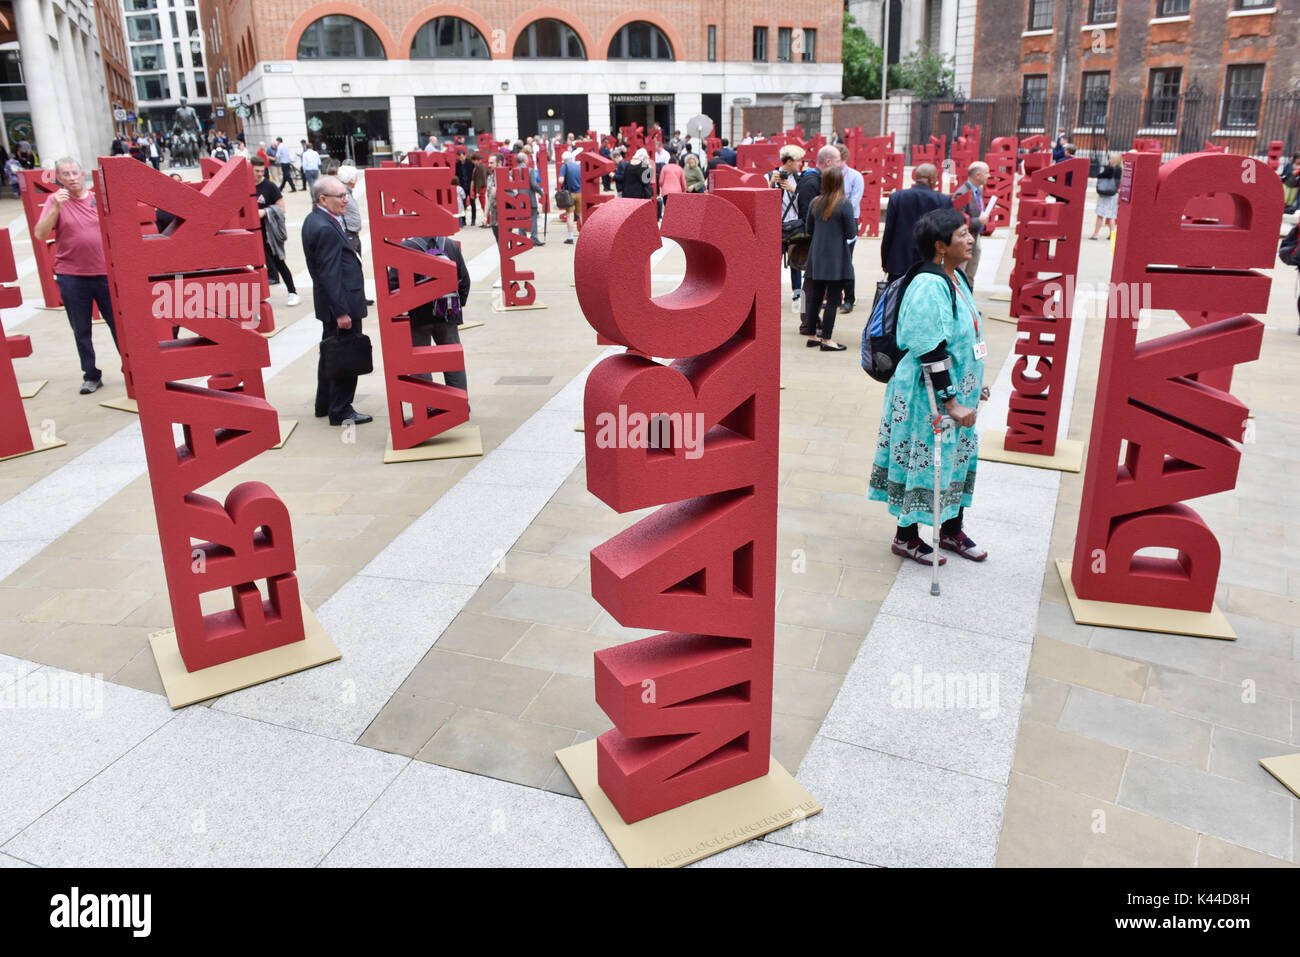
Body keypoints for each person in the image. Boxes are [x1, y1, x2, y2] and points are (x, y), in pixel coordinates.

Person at [868, 207, 991, 566]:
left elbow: (962, 338)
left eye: (969, 232)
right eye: (962, 235)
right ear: (940, 245)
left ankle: (951, 528)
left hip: (954, 393)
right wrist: (952, 401)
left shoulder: (955, 278)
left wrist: (973, 385)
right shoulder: (929, 283)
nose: (970, 240)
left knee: (955, 461)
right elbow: (930, 346)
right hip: (927, 397)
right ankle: (906, 537)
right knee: (923, 462)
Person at [33, 157, 120, 394]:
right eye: (66, 175)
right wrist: (56, 208)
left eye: (74, 173)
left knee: (118, 324)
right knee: (81, 328)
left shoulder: (97, 199)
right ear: (58, 179)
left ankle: (131, 369)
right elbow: (40, 234)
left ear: (82, 176)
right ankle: (91, 375)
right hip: (72, 276)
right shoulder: (54, 200)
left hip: (104, 273)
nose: (71, 178)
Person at [302, 175, 371, 426]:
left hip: (332, 304)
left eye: (346, 195)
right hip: (342, 306)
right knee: (345, 356)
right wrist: (342, 312)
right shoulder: (323, 227)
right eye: (341, 196)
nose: (346, 200)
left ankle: (325, 403)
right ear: (323, 199)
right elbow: (330, 273)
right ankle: (341, 409)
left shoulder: (317, 219)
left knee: (330, 353)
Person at [392, 234, 471, 393]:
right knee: (452, 360)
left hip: (418, 315)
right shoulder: (449, 244)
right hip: (448, 312)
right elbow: (464, 279)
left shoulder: (406, 247)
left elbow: (394, 283)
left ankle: (428, 405)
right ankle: (460, 402)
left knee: (421, 363)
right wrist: (457, 305)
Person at [800, 166, 855, 351]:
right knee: (832, 300)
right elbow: (850, 233)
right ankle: (827, 339)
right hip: (836, 257)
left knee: (815, 297)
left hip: (816, 256)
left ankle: (812, 335)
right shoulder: (844, 203)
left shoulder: (816, 202)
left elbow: (808, 230)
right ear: (840, 182)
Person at [881, 163, 952, 283]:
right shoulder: (943, 200)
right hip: (930, 261)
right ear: (932, 179)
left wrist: (885, 261)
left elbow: (889, 232)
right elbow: (947, 233)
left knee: (897, 299)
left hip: (899, 260)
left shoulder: (897, 197)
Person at [252, 157, 299, 306]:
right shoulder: (244, 187)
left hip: (268, 233)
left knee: (279, 262)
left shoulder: (270, 187)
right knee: (253, 268)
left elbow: (282, 208)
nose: (260, 174)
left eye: (262, 170)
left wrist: (265, 212)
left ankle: (292, 292)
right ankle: (257, 298)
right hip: (251, 234)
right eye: (256, 171)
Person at [770, 145, 805, 311]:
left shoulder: (801, 179)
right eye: (797, 161)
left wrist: (794, 190)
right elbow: (763, 201)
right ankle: (771, 295)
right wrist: (771, 183)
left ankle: (798, 297)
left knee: (796, 263)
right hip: (776, 226)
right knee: (772, 264)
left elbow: (805, 200)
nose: (800, 164)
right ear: (789, 161)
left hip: (795, 225)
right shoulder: (771, 175)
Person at [835, 144, 864, 313]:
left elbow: (854, 202)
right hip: (832, 220)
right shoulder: (829, 175)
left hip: (848, 221)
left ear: (844, 159)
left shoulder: (855, 176)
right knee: (834, 261)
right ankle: (834, 297)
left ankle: (849, 299)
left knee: (846, 261)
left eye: (836, 159)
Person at [951, 161, 991, 282]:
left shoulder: (979, 190)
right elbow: (957, 219)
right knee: (960, 274)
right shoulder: (962, 192)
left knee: (970, 275)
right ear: (977, 175)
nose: (989, 176)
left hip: (975, 236)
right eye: (986, 172)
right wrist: (978, 221)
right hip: (965, 238)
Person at [1091, 153, 1121, 240]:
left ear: (1115, 160)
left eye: (1111, 158)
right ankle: (1112, 234)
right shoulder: (1120, 169)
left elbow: (1100, 175)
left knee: (1100, 214)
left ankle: (1095, 234)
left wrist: (1104, 170)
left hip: (1105, 193)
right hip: (1113, 193)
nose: (1110, 160)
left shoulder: (1110, 168)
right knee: (1111, 215)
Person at [560, 150, 583, 243]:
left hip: (569, 194)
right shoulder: (578, 166)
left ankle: (570, 237)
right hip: (580, 193)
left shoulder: (564, 166)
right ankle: (585, 235)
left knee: (570, 215)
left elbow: (561, 180)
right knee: (581, 215)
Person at [471, 153, 489, 228]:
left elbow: (478, 180)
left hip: (480, 188)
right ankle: (487, 221)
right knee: (484, 204)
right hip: (484, 186)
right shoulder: (483, 166)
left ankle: (487, 221)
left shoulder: (478, 168)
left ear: (476, 160)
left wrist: (477, 191)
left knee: (484, 205)